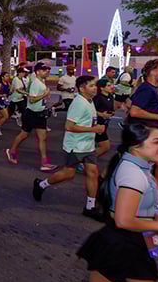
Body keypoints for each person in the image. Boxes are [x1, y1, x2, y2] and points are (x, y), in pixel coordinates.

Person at [29, 123, 158, 282]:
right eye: (156, 142)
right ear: (136, 146)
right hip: (122, 243)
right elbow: (123, 220)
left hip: (133, 242)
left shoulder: (141, 166)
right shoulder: (132, 173)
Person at [32, 76, 104, 221]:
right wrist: (94, 130)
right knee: (68, 174)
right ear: (82, 88)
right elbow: (69, 126)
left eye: (95, 85)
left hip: (88, 145)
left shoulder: (89, 101)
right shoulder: (79, 103)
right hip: (75, 146)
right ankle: (41, 184)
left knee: (93, 172)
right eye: (91, 86)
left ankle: (90, 207)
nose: (95, 88)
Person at [127, 59, 158, 189]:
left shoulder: (149, 88)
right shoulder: (146, 89)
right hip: (145, 135)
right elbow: (134, 112)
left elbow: (132, 105)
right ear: (152, 72)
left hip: (149, 134)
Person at [6, 63, 54, 170]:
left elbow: (40, 97)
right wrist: (44, 95)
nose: (47, 71)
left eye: (48, 70)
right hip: (31, 113)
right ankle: (11, 150)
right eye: (44, 70)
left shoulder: (42, 82)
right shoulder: (35, 83)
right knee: (24, 135)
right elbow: (32, 99)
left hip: (41, 113)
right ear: (37, 72)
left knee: (43, 138)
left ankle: (44, 163)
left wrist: (46, 96)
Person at [93, 79, 116, 162]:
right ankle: (86, 161)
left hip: (105, 124)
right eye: (108, 85)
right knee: (105, 146)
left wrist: (111, 113)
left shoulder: (110, 96)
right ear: (102, 88)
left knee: (98, 145)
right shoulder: (97, 98)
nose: (111, 87)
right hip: (97, 124)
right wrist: (102, 114)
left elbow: (110, 108)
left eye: (111, 85)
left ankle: (87, 161)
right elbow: (91, 110)